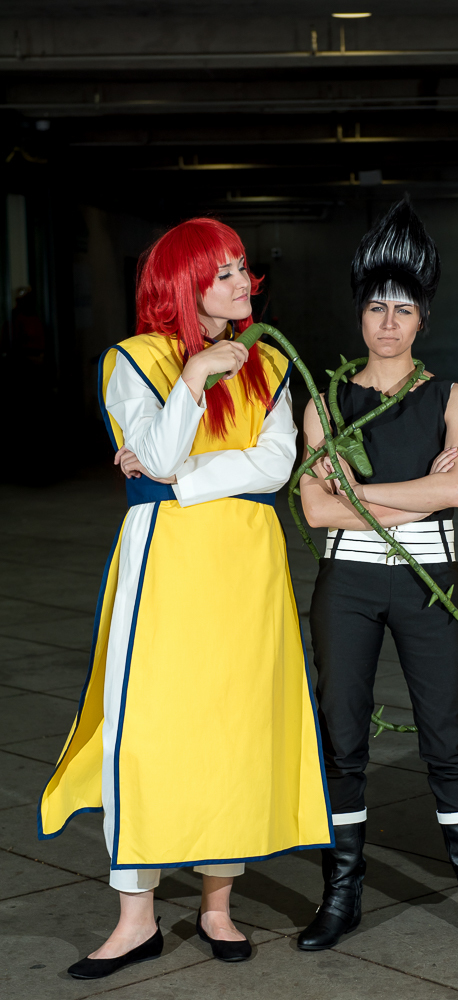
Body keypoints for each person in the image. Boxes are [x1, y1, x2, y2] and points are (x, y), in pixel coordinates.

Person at [38, 218, 332, 979]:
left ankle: (216, 907)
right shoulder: (131, 360)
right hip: (165, 559)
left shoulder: (269, 361)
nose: (243, 283)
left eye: (242, 268)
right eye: (223, 272)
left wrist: (185, 478)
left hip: (246, 560)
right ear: (183, 284)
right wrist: (195, 377)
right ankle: (135, 918)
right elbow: (160, 449)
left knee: (233, 727)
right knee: (146, 727)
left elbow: (274, 465)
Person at [297, 199, 458, 952]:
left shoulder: (452, 398)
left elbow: (454, 493)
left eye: (402, 308)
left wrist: (358, 493)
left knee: (450, 735)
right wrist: (414, 492)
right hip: (347, 587)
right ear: (359, 314)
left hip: (430, 585)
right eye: (375, 307)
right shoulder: (325, 402)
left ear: (423, 317)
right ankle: (340, 896)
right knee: (340, 735)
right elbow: (315, 512)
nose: (387, 322)